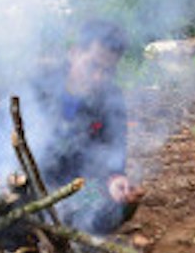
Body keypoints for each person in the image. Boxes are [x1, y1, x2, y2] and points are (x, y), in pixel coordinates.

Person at [36, 21, 144, 235]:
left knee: (119, 205)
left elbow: (114, 152)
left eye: (108, 71)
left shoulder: (112, 99)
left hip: (80, 187)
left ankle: (73, 231)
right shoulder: (39, 87)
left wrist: (116, 180)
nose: (99, 78)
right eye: (93, 65)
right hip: (36, 184)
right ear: (74, 53)